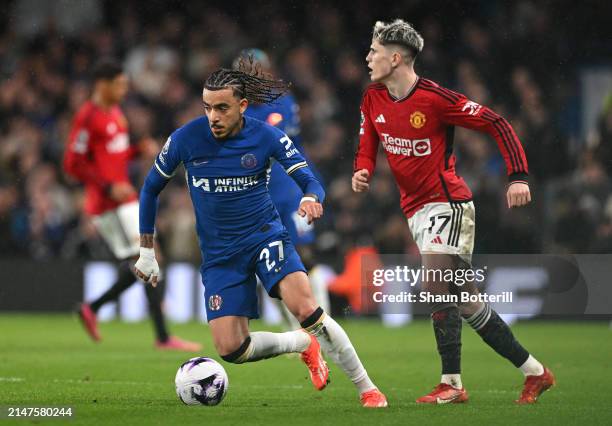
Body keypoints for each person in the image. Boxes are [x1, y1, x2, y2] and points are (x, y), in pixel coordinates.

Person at [133, 61, 388, 407]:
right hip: (221, 254)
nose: (213, 116)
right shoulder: (185, 139)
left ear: (242, 105)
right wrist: (147, 252)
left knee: (307, 308)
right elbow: (150, 189)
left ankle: (367, 388)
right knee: (232, 349)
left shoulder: (266, 136)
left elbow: (308, 178)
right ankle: (302, 345)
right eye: (207, 107)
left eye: (222, 107)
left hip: (265, 236)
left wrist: (312, 197)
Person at [352, 19, 555, 404]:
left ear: (396, 58)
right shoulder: (372, 98)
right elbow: (368, 141)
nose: (368, 57)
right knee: (466, 299)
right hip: (414, 209)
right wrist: (362, 168)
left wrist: (518, 177)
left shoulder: (435, 99)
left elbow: (497, 123)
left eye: (374, 51)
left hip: (448, 203)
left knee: (435, 284)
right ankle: (535, 371)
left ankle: (452, 384)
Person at [63, 60, 201, 352]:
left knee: (142, 260)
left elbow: (113, 156)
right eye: (120, 84)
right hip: (108, 202)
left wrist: (137, 151)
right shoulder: (87, 117)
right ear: (103, 84)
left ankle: (93, 308)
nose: (124, 90)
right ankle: (162, 337)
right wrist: (106, 186)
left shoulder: (115, 113)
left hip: (121, 198)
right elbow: (72, 164)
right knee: (151, 255)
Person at [234, 49, 329, 328]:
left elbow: (284, 143)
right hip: (256, 195)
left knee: (305, 254)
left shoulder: (282, 103)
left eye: (257, 69)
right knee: (268, 259)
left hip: (288, 190)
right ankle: (295, 328)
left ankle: (323, 320)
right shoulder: (234, 108)